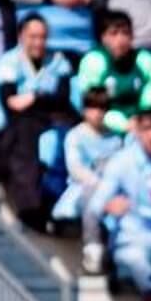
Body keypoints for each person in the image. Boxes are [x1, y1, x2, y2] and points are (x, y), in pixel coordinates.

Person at [0, 14, 73, 228]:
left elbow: (62, 99)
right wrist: (44, 100)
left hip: (46, 124)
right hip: (17, 125)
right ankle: (30, 208)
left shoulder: (57, 61)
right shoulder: (9, 62)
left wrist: (34, 97)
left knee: (21, 134)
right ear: (21, 36)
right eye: (33, 37)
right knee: (22, 134)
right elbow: (10, 103)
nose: (38, 42)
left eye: (42, 37)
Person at [86, 107, 151, 287]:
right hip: (132, 237)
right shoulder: (122, 161)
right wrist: (108, 206)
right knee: (137, 262)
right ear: (137, 130)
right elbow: (95, 205)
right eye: (147, 129)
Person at [77, 9, 151, 135]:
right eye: (114, 33)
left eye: (125, 33)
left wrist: (141, 120)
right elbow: (93, 105)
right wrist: (122, 125)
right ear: (103, 38)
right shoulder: (94, 61)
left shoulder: (145, 60)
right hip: (104, 127)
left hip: (141, 125)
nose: (120, 39)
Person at [52, 88, 123, 224]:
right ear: (84, 109)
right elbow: (75, 168)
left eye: (101, 108)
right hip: (82, 188)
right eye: (92, 107)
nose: (97, 113)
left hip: (111, 190)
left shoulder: (115, 139)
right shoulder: (75, 136)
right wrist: (98, 184)